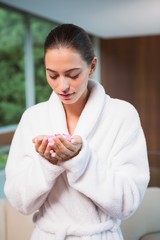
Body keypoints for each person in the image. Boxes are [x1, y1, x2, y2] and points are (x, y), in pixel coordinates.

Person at [4, 23, 150, 240]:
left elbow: (127, 202)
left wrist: (81, 161)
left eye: (72, 75)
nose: (62, 86)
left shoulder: (122, 115)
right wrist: (46, 165)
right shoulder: (33, 118)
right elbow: (19, 202)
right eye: (52, 75)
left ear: (92, 67)